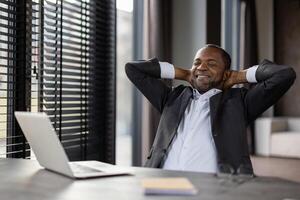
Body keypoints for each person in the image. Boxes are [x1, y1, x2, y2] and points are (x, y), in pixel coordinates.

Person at [125, 44, 296, 175]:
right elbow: (133, 69)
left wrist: (240, 76)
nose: (201, 67)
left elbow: (284, 75)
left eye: (211, 63)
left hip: (215, 191)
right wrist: (183, 74)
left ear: (226, 72)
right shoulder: (172, 97)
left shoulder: (240, 102)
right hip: (162, 185)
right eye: (197, 63)